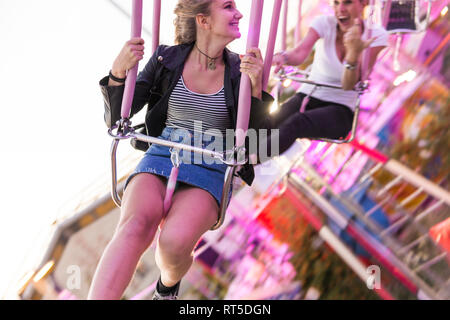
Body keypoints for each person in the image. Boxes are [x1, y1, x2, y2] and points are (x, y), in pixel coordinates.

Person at [88, 0, 273, 300]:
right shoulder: (165, 59)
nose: (239, 13)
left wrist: (255, 87)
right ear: (204, 20)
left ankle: (167, 287)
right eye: (228, 6)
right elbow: (118, 117)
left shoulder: (242, 69)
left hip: (211, 163)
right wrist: (118, 71)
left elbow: (258, 141)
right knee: (135, 225)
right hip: (163, 155)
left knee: (173, 244)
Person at [266, 0, 388, 156]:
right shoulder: (324, 23)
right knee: (269, 123)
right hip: (308, 96)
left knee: (296, 123)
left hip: (340, 111)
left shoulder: (375, 35)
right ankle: (236, 158)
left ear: (363, 3)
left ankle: (246, 163)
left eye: (348, 3)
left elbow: (348, 83)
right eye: (336, 3)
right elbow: (299, 53)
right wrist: (282, 57)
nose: (340, 9)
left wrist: (353, 53)